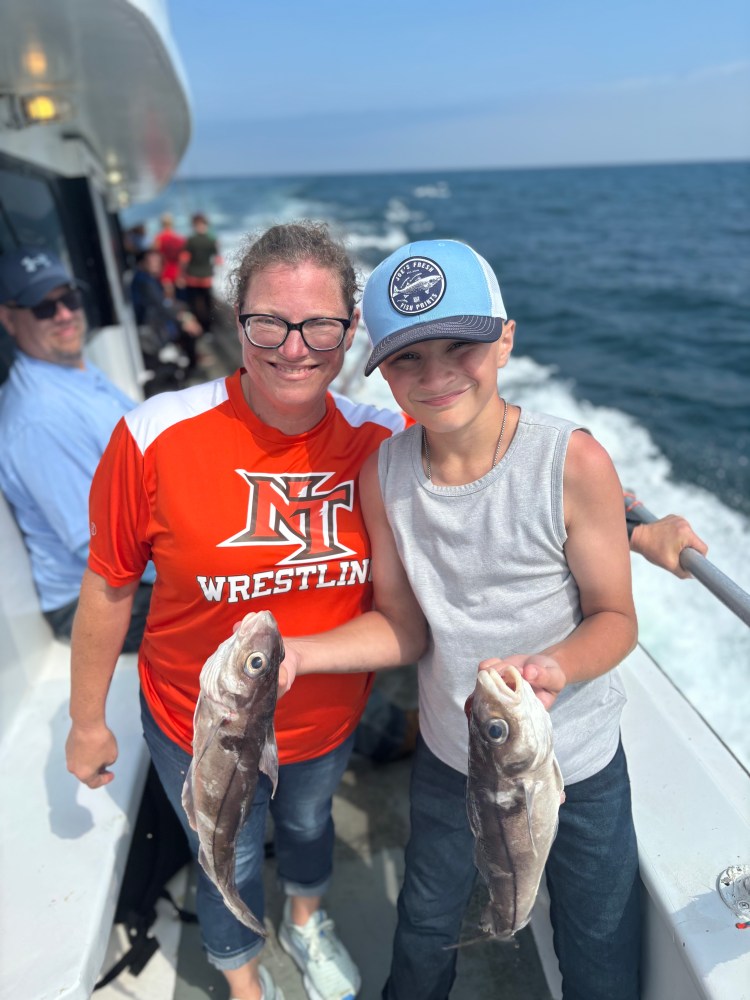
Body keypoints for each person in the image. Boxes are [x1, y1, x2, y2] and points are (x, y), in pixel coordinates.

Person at [280, 238, 645, 1000]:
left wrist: (555, 668)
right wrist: (301, 654)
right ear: (381, 371)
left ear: (505, 338)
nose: (437, 374)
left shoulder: (572, 463)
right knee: (424, 923)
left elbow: (615, 617)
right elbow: (407, 628)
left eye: (461, 347)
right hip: (451, 760)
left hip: (577, 761)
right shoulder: (383, 475)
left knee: (601, 942)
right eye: (410, 359)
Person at [65, 222, 415, 1000]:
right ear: (237, 320)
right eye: (270, 323)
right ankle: (244, 982)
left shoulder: (385, 439)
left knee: (307, 826)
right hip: (198, 725)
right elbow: (110, 584)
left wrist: (625, 515)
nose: (295, 347)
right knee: (228, 856)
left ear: (350, 331)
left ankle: (307, 919)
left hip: (323, 720)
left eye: (320, 324)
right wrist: (87, 719)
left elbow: (492, 456)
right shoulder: (153, 435)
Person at [0, 246, 153, 648]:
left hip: (133, 570)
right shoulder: (40, 417)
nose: (65, 314)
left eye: (68, 299)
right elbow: (100, 544)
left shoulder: (72, 370)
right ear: (8, 319)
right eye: (43, 308)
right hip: (92, 602)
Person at [130, 247, 203, 376]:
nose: (156, 266)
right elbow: (161, 307)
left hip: (152, 323)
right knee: (189, 328)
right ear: (143, 263)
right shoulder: (145, 282)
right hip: (151, 330)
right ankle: (191, 368)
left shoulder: (145, 278)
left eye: (158, 262)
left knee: (185, 310)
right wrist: (185, 320)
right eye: (152, 262)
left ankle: (190, 361)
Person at [180, 212, 220, 334]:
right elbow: (218, 260)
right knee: (208, 303)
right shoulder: (211, 240)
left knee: (193, 304)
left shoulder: (191, 240)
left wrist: (181, 275)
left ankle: (198, 328)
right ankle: (209, 328)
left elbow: (184, 259)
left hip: (192, 277)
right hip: (206, 278)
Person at [153, 212, 186, 298]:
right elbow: (183, 257)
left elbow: (156, 255)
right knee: (179, 296)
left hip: (164, 269)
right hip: (176, 269)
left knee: (168, 296)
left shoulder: (159, 238)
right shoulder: (179, 238)